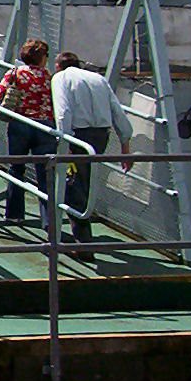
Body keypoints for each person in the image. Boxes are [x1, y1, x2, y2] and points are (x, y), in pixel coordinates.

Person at [51, 51, 134, 245]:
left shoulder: (60, 78)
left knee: (74, 184)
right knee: (85, 180)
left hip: (78, 136)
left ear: (58, 66)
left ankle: (83, 242)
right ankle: (83, 235)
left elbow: (63, 112)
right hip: (100, 135)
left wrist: (65, 142)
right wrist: (125, 146)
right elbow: (116, 110)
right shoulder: (98, 79)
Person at [0, 38, 55, 223]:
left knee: (16, 168)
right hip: (45, 126)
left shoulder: (15, 73)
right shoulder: (49, 76)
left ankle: (14, 214)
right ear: (42, 57)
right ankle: (48, 221)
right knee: (45, 173)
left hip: (20, 123)